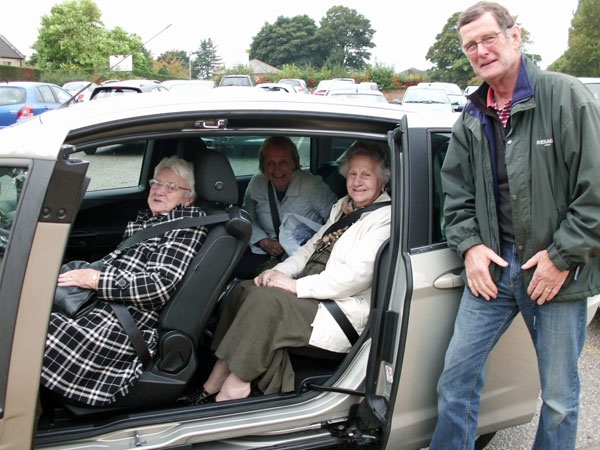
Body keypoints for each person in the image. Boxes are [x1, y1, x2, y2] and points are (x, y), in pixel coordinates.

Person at [429, 2, 600, 449]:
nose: (481, 50)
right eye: (470, 46)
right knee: (456, 380)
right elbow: (457, 197)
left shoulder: (566, 97)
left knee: (560, 398)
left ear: (515, 36)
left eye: (488, 38)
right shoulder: (471, 117)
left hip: (555, 273)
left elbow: (596, 192)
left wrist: (561, 257)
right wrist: (469, 247)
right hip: (494, 268)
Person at [199, 141, 391, 402]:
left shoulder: (385, 218)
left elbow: (354, 278)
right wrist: (277, 272)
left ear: (382, 180)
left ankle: (238, 382)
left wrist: (295, 286)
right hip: (314, 290)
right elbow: (309, 249)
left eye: (366, 175)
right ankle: (220, 372)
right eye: (353, 174)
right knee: (246, 289)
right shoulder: (343, 207)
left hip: (338, 307)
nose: (357, 181)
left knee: (264, 301)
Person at [41, 156, 208, 407]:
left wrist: (96, 279)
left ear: (189, 197)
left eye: (172, 187)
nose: (160, 190)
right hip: (102, 311)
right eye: (156, 183)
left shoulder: (184, 228)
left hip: (122, 328)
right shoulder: (154, 221)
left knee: (25, 330)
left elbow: (159, 285)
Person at [235, 136, 337, 278]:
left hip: (306, 254)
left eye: (283, 162)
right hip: (269, 253)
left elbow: (336, 220)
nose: (277, 169)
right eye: (270, 163)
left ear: (294, 163)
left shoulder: (311, 185)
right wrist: (263, 241)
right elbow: (247, 218)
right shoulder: (257, 183)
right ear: (263, 166)